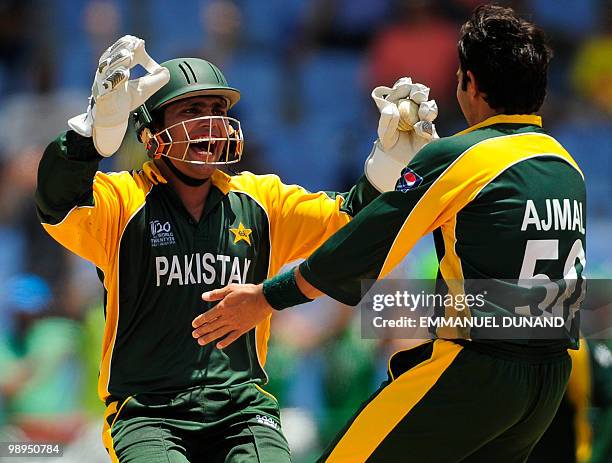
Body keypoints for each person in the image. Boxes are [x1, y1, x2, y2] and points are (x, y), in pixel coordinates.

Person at [192, 5, 587, 462]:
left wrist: (266, 297)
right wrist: (435, 155)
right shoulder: (565, 164)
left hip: (477, 372)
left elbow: (363, 245)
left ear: (470, 83)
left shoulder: (461, 158)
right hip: (546, 381)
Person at [35, 36, 437, 462]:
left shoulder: (261, 200)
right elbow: (57, 202)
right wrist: (93, 133)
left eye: (218, 111)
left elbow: (349, 227)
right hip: (147, 413)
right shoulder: (122, 200)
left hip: (243, 409)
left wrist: (388, 167)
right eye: (192, 111)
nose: (211, 123)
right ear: (151, 134)